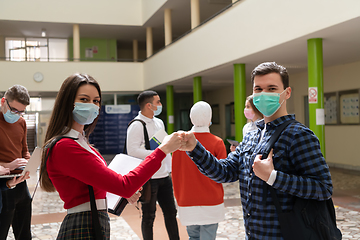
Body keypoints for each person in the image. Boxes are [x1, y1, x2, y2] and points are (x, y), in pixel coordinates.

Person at [179, 62, 333, 239]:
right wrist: (195, 148)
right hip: (254, 234)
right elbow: (224, 172)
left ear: (287, 93)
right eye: (258, 89)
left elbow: (323, 187)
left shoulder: (298, 135)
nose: (263, 94)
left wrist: (273, 177)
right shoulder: (253, 135)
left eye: (272, 88)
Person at [39, 74, 182, 239]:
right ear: (68, 102)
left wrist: (122, 194)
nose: (92, 106)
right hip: (83, 223)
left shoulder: (82, 142)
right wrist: (162, 151)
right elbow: (124, 183)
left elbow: (98, 185)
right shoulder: (66, 146)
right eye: (84, 99)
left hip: (95, 219)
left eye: (96, 101)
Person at [126, 90, 179, 240]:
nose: (160, 105)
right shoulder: (136, 125)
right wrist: (156, 153)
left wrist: (169, 166)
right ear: (149, 105)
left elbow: (165, 146)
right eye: (158, 102)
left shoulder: (159, 122)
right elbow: (132, 150)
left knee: (171, 213)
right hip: (149, 178)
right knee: (149, 216)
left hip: (164, 176)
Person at [172, 101, 227, 240]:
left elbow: (175, 174)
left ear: (191, 118)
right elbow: (223, 174)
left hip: (186, 199)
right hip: (211, 199)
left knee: (193, 237)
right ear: (210, 119)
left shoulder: (180, 143)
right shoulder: (217, 142)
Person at [0, 84, 32, 240]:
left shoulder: (21, 122)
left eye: (21, 112)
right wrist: (9, 166)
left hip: (20, 182)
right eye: (14, 110)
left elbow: (24, 149)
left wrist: (28, 162)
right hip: (2, 184)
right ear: (3, 101)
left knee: (24, 234)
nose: (18, 115)